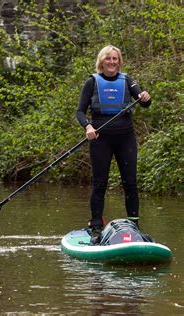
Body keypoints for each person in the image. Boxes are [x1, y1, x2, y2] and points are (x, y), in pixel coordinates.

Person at [76, 45, 151, 244]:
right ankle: (96, 227)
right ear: (102, 61)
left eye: (115, 59)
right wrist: (88, 126)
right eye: (108, 59)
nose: (112, 62)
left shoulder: (127, 80)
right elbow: (80, 112)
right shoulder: (92, 82)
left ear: (119, 61)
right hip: (101, 138)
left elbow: (143, 102)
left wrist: (145, 97)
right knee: (100, 183)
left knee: (130, 182)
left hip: (125, 138)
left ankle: (135, 225)